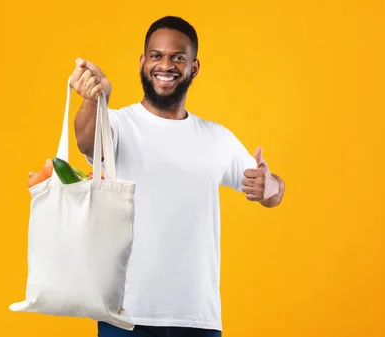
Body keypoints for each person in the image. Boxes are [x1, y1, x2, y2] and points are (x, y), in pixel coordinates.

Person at [69, 15, 285, 337]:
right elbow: (88, 141)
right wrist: (94, 99)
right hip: (125, 313)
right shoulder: (119, 124)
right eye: (156, 55)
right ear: (143, 62)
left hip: (197, 317)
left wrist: (270, 185)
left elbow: (273, 194)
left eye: (177, 57)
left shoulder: (216, 137)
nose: (165, 65)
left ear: (194, 67)